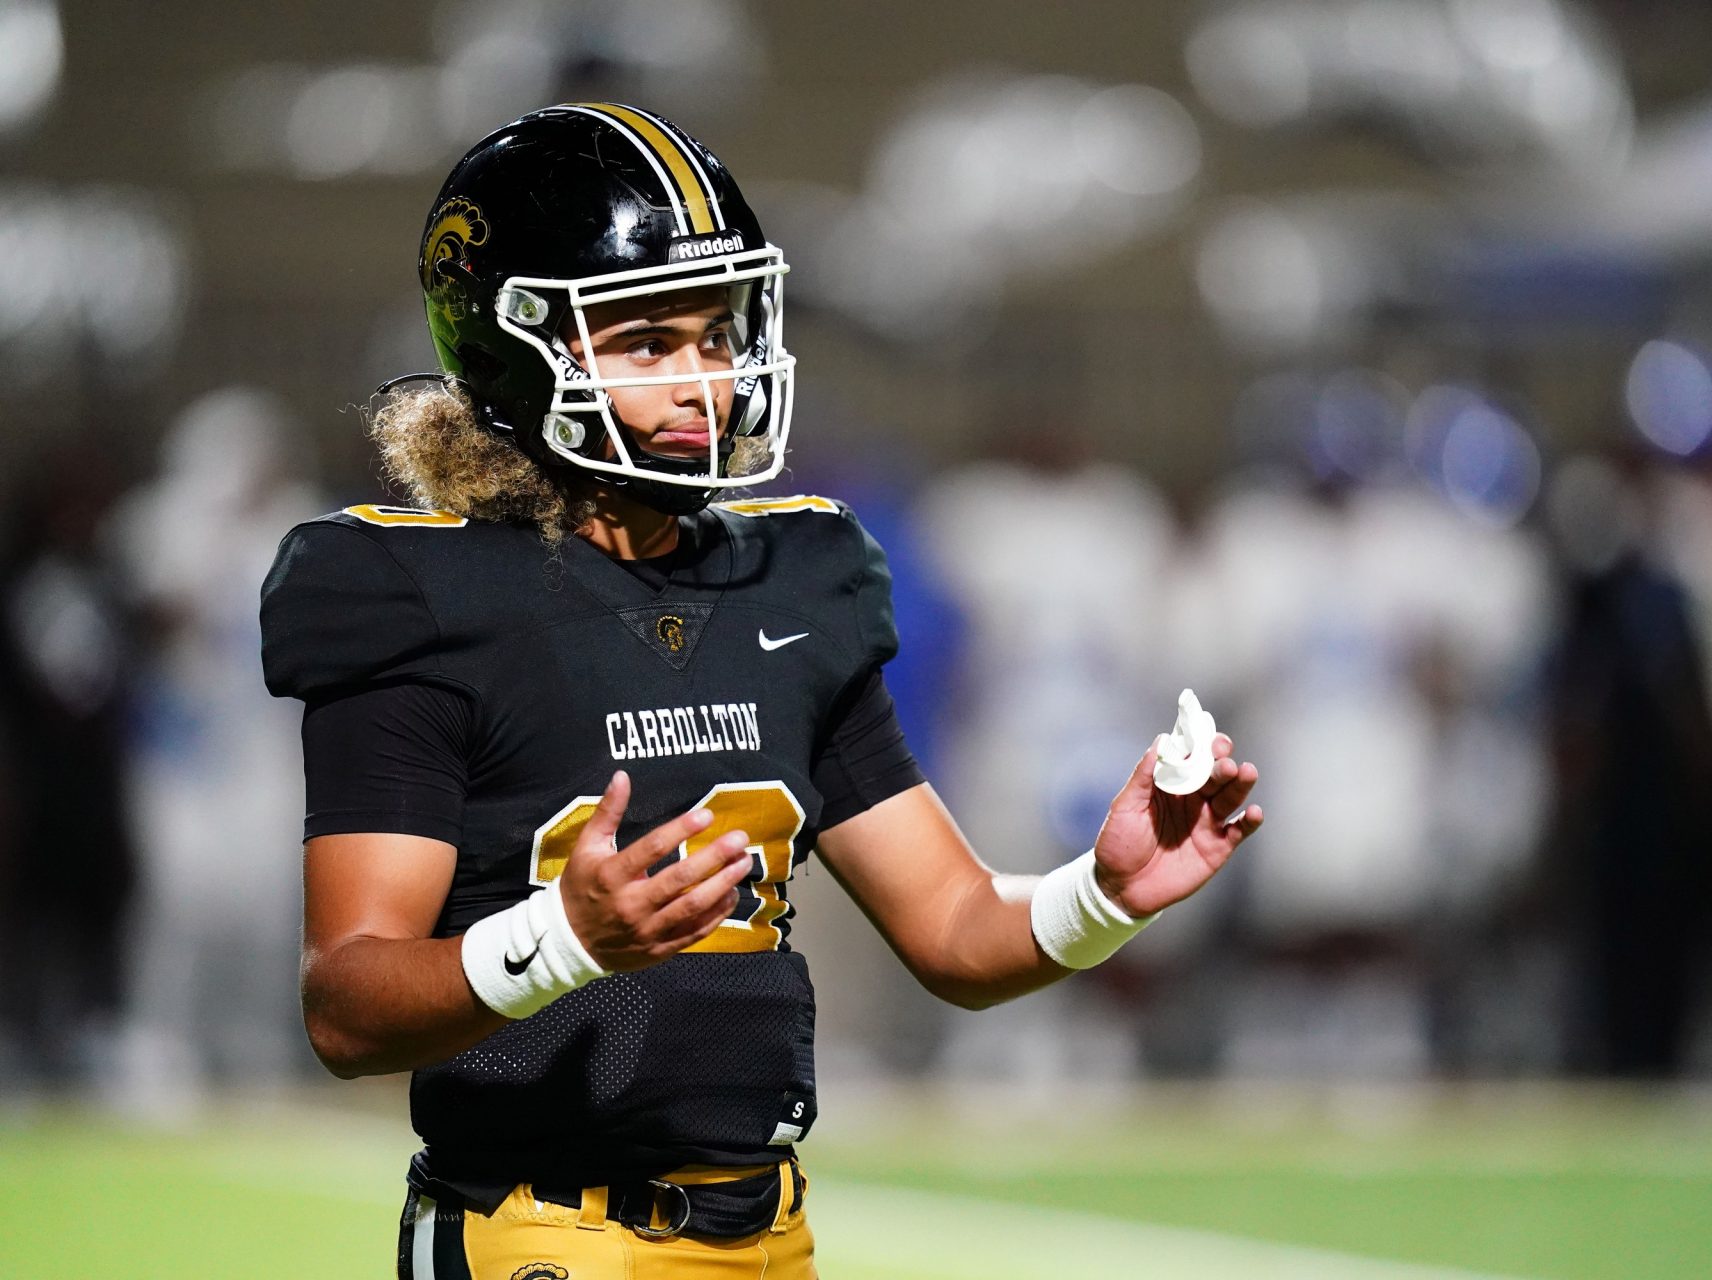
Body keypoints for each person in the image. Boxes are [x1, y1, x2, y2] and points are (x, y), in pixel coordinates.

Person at [259, 103, 1263, 1279]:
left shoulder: (794, 578)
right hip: (541, 1232)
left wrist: (1106, 891)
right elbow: (346, 1002)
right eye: (646, 343)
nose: (704, 381)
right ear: (515, 348)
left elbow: (952, 928)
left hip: (770, 1234)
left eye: (716, 331)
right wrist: (562, 937)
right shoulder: (420, 595)